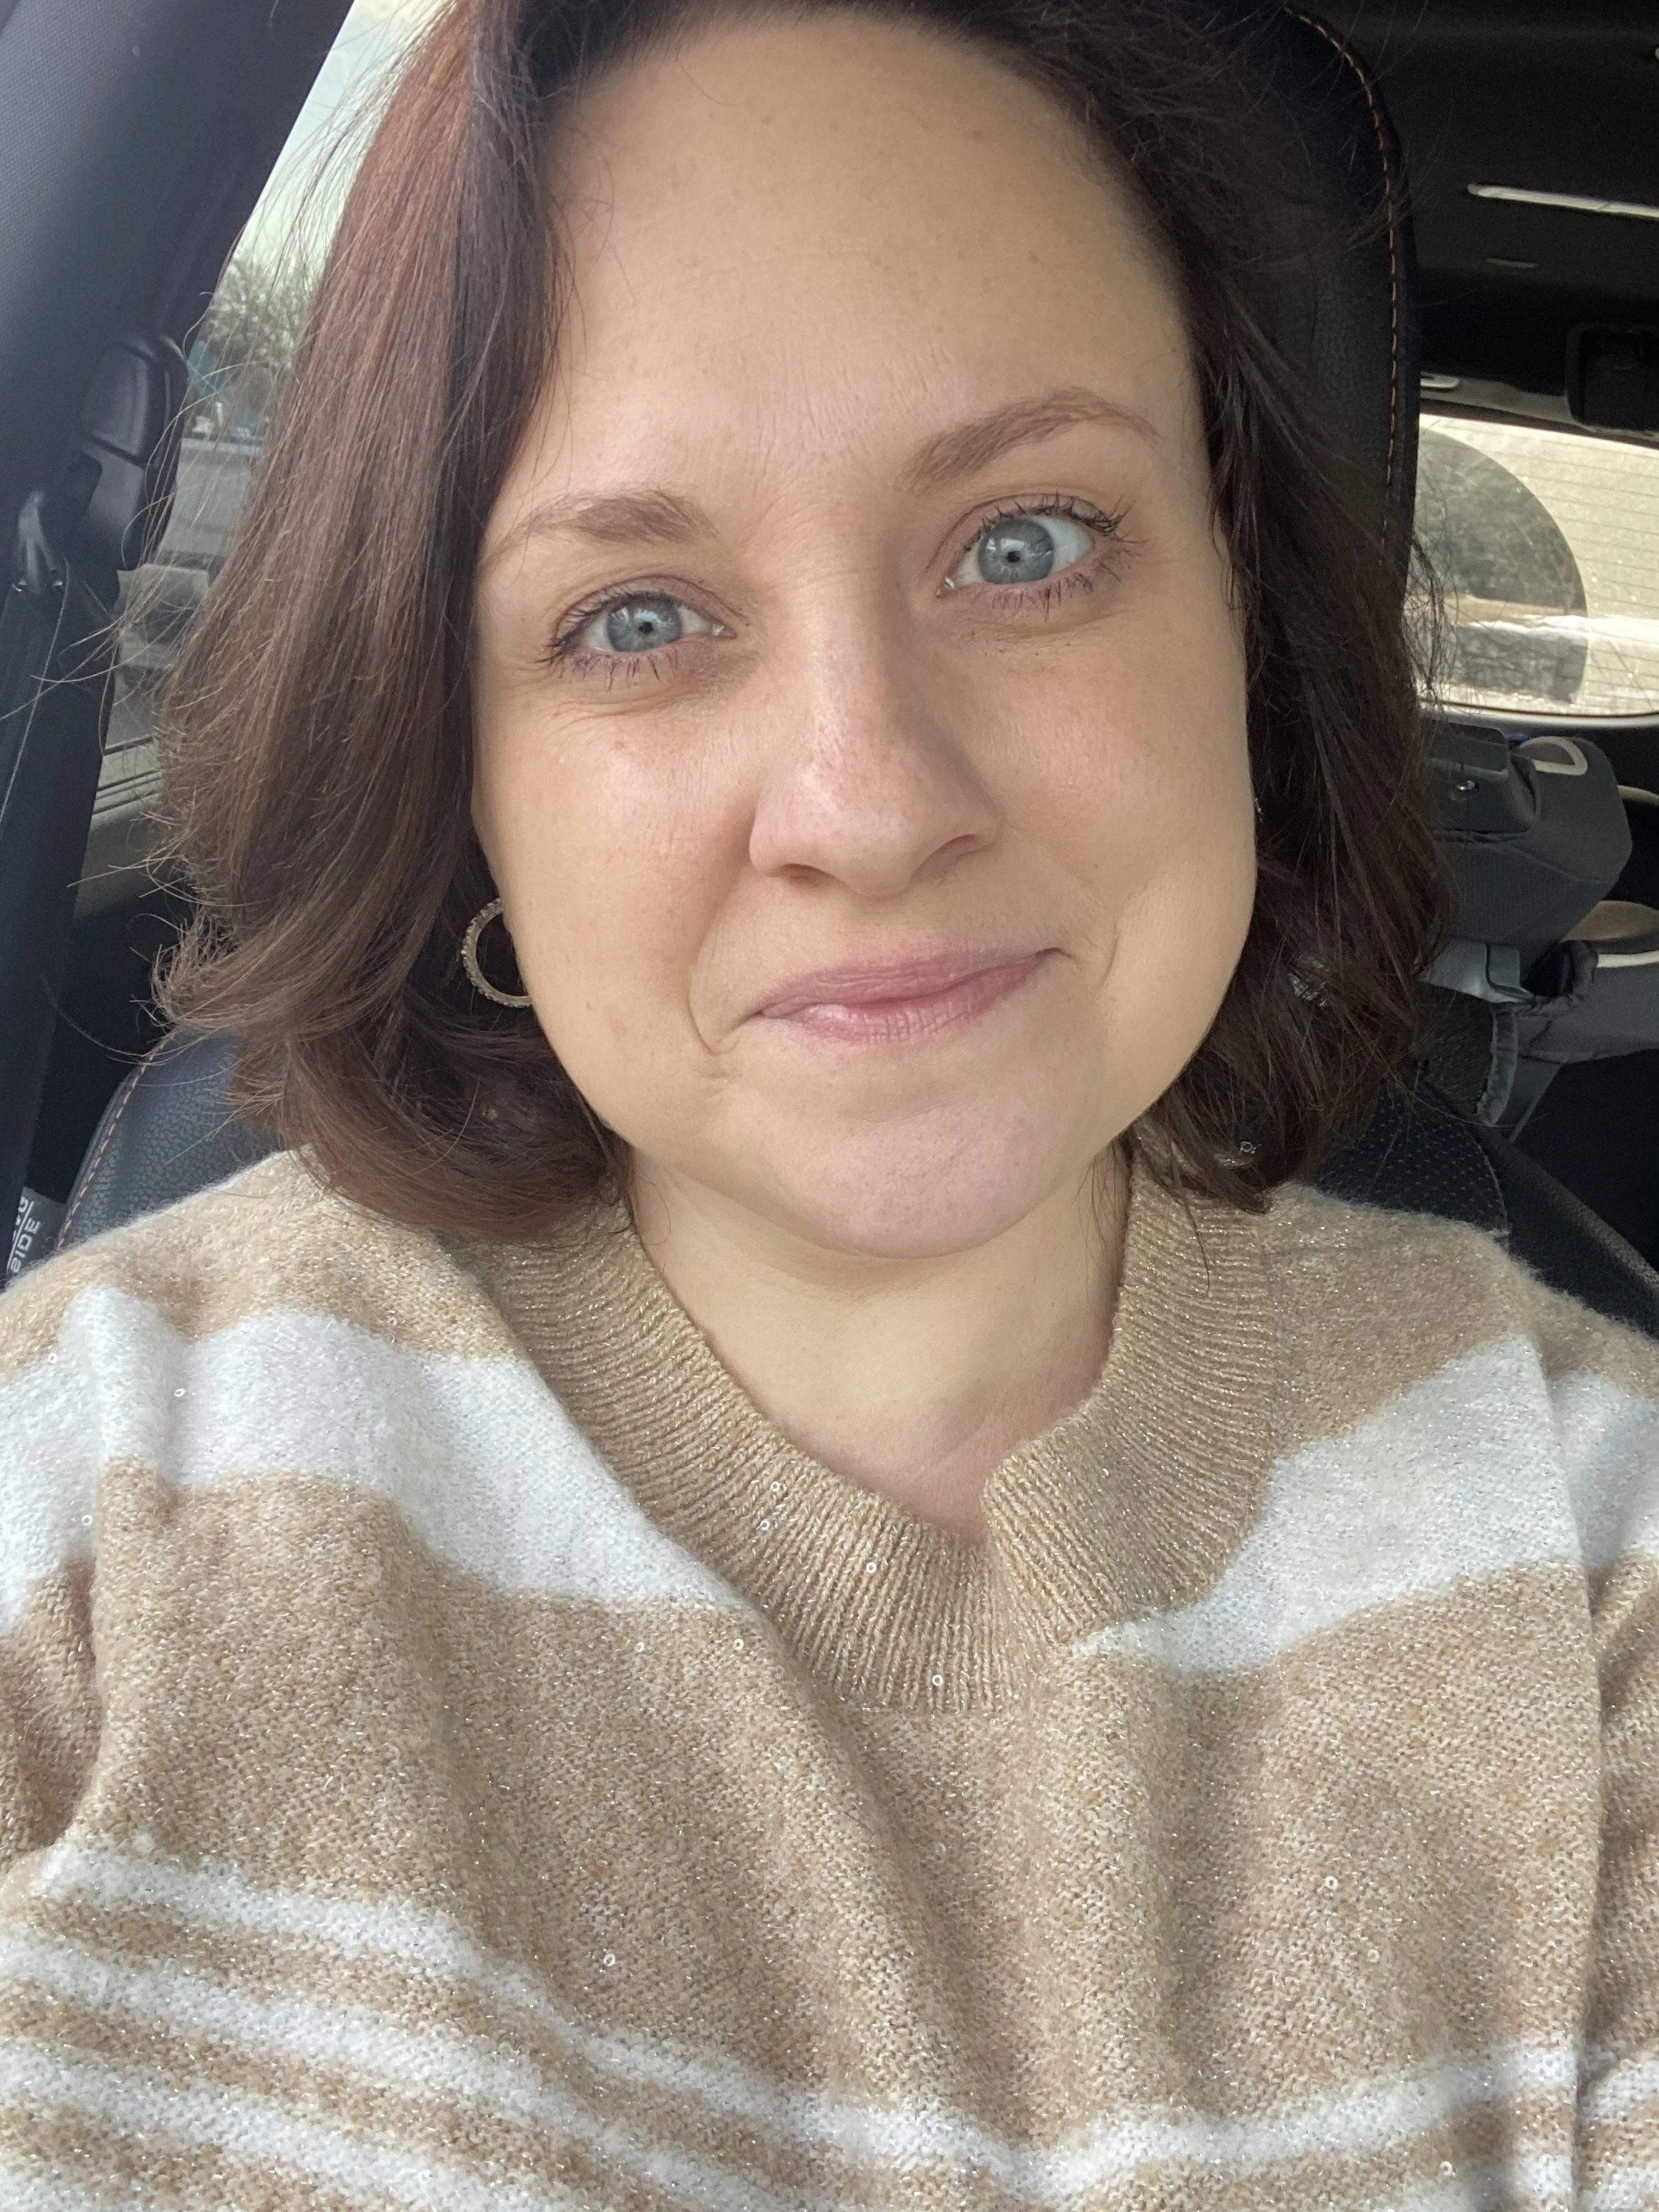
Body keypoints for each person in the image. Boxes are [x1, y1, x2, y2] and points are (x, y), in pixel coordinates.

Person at [1, 0, 1655, 2203]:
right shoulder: (88, 1505)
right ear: (462, 761)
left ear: (1247, 633)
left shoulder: (1598, 1574)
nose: (868, 806)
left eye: (1026, 544)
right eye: (641, 612)